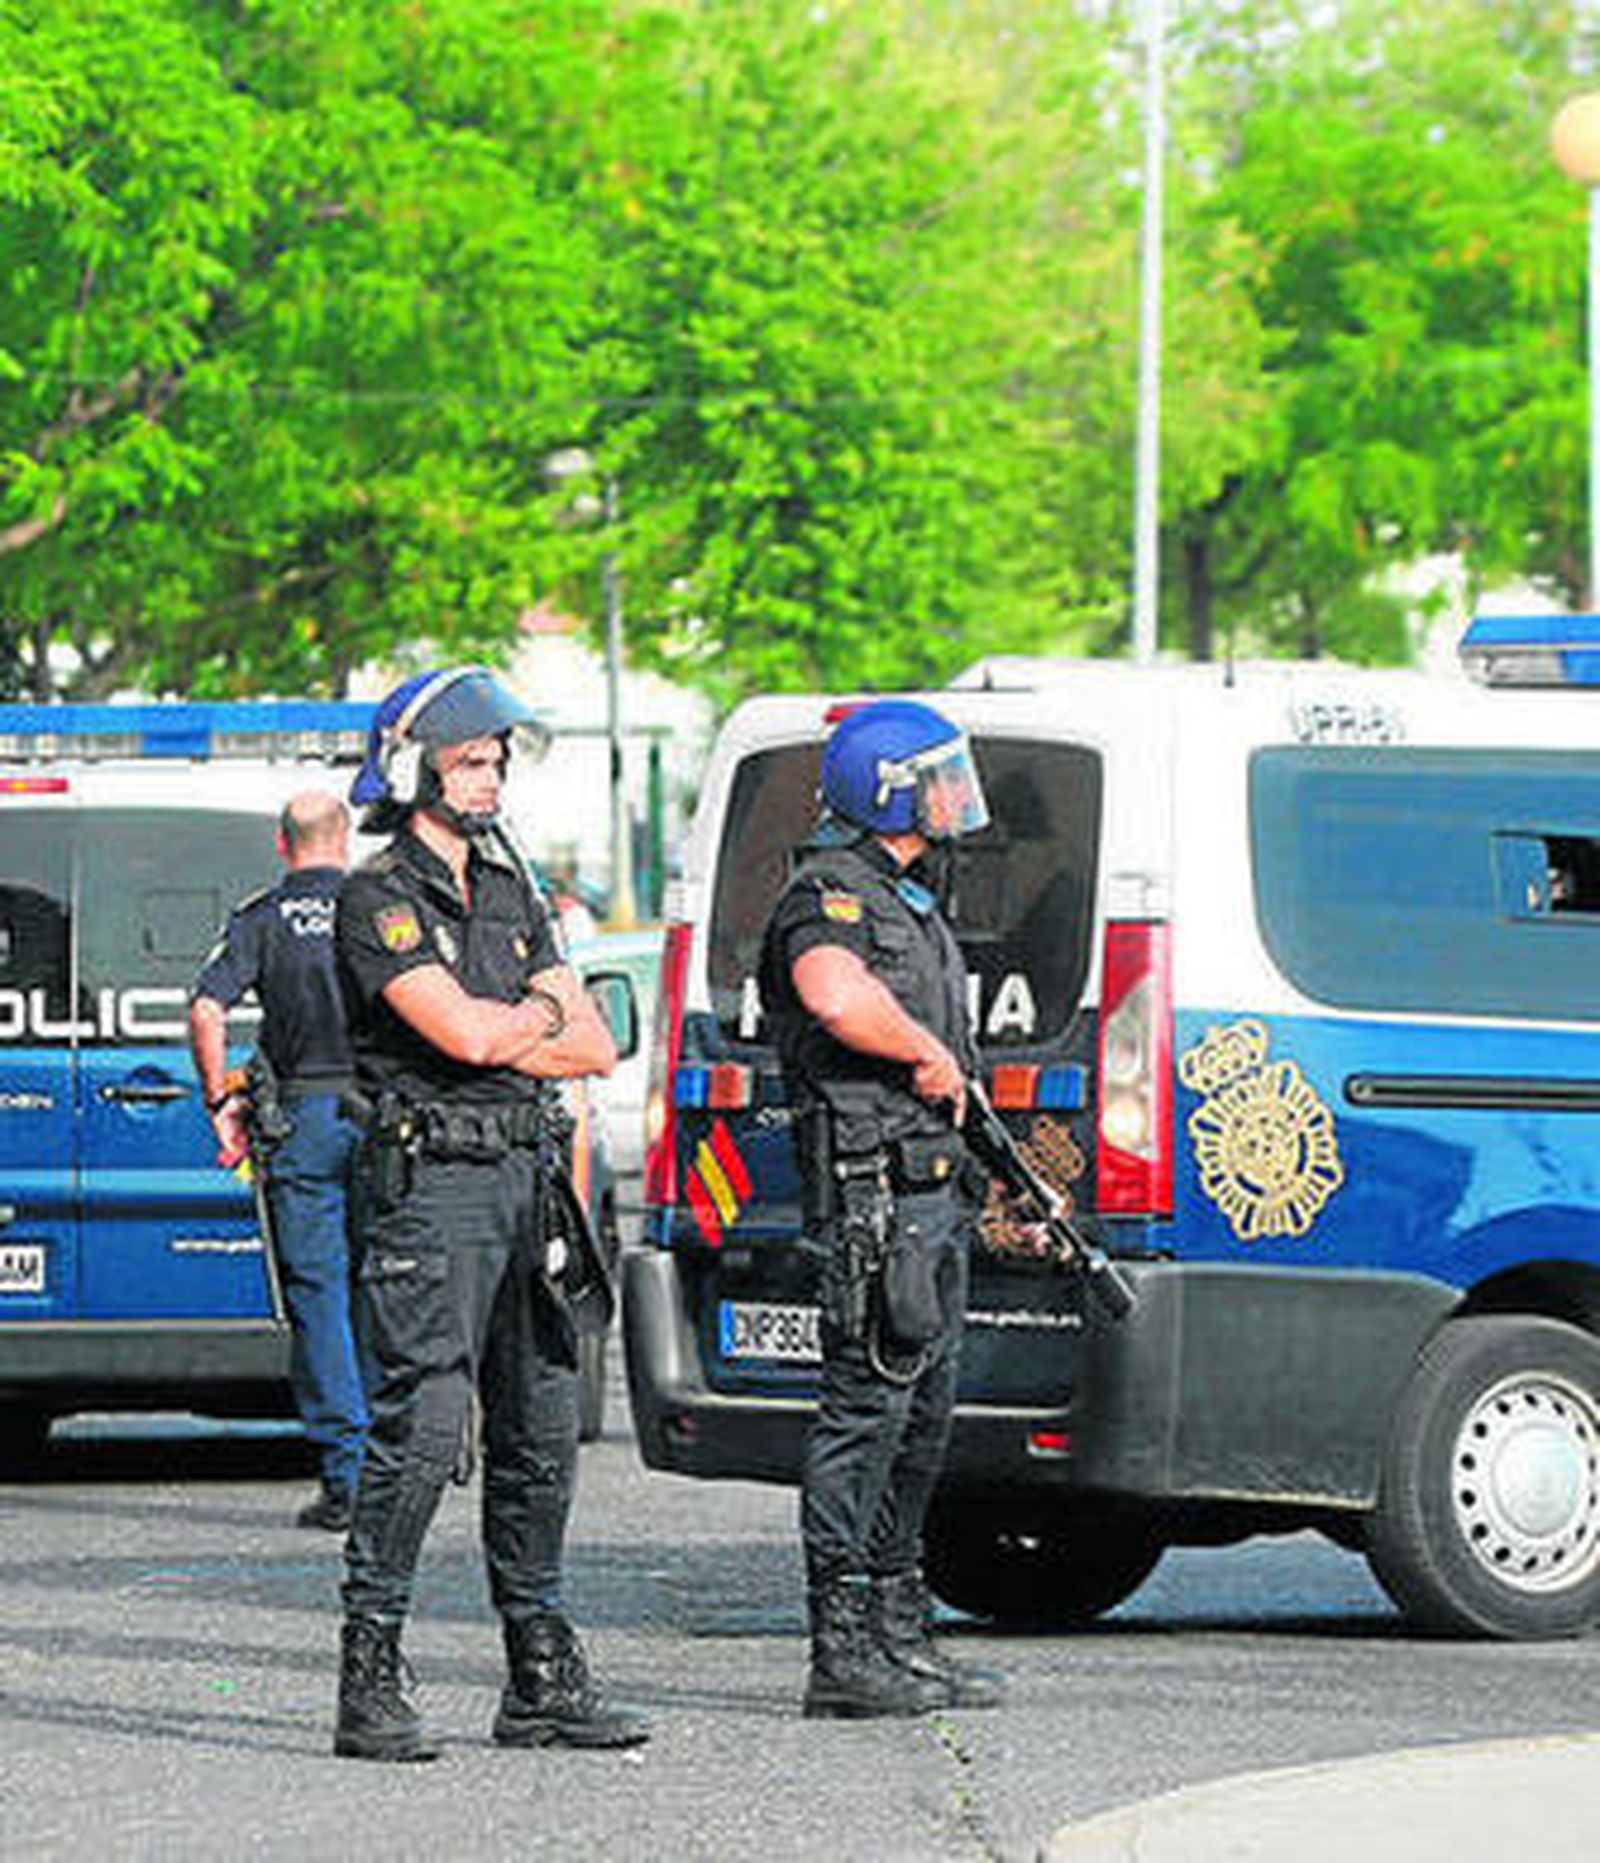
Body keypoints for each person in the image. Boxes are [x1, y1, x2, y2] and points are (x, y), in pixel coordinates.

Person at [330, 664, 648, 1764]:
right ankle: (368, 1672)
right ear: (416, 768)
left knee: (542, 1430)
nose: (491, 774)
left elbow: (594, 1041)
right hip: (435, 1192)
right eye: (471, 758)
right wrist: (531, 1016)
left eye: (498, 757)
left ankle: (540, 1679)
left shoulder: (513, 887)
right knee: (421, 1433)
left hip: (528, 1178)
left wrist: (514, 1018)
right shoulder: (376, 895)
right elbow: (461, 1036)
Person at [758, 698, 1008, 1719]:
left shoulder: (912, 899)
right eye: (939, 777)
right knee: (863, 1415)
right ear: (889, 789)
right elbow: (831, 995)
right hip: (873, 1197)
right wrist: (920, 1049)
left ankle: (902, 1634)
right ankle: (841, 1651)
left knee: (921, 1420)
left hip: (929, 1194)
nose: (957, 794)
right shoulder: (831, 893)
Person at [189, 789, 368, 1533]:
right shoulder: (377, 909)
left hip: (303, 1119)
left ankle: (347, 1473)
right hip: (386, 1117)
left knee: (319, 1295)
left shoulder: (261, 917)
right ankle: (408, 1459)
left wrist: (217, 1095)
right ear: (345, 837)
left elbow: (206, 1008)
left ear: (282, 844)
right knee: (393, 1285)